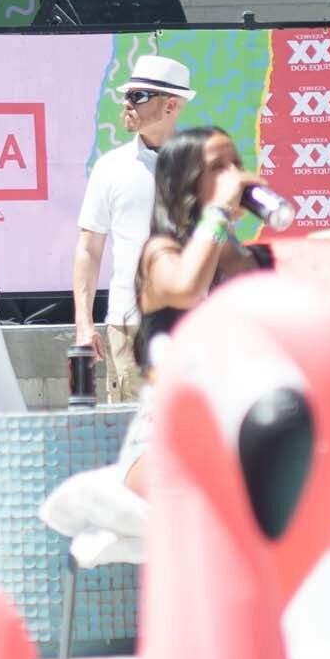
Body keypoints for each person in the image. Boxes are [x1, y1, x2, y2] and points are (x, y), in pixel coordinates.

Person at [119, 123, 274, 493]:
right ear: (186, 183)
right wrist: (219, 210)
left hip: (248, 427)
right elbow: (188, 288)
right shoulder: (160, 254)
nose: (234, 176)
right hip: (168, 440)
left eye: (236, 164)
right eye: (218, 168)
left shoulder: (253, 260)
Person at [71, 54, 194, 400]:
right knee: (130, 437)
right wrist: (84, 323)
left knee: (190, 433)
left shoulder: (199, 165)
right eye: (127, 94)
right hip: (128, 322)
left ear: (171, 105)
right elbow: (88, 247)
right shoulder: (110, 168)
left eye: (139, 96)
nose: (127, 103)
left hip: (193, 321)